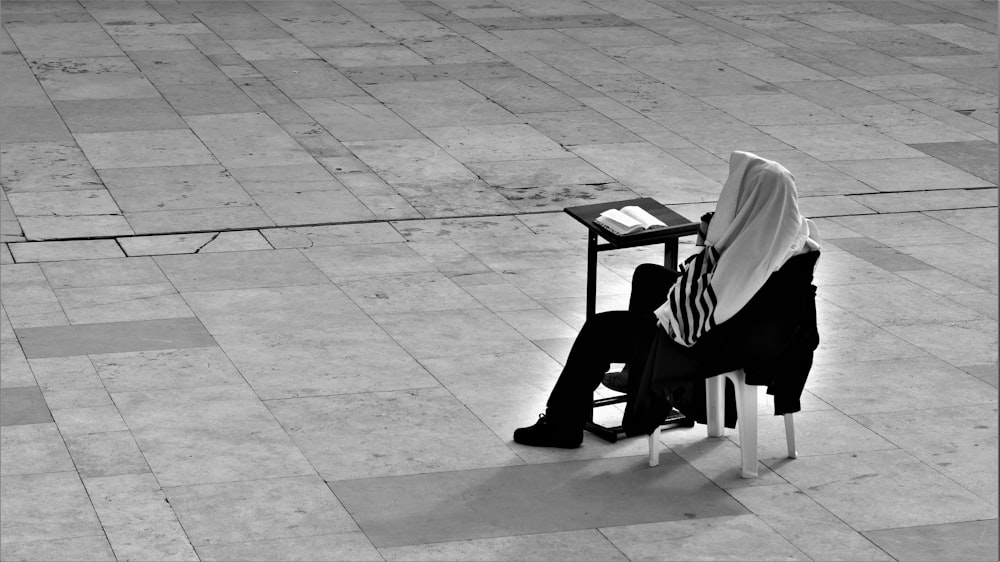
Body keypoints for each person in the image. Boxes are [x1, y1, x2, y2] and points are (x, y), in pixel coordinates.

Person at [514, 151, 822, 448]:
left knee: (600, 328)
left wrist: (694, 267)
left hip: (711, 341)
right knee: (649, 275)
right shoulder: (789, 231)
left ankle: (562, 425)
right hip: (752, 329)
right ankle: (636, 375)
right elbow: (725, 282)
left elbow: (711, 300)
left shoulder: (753, 251)